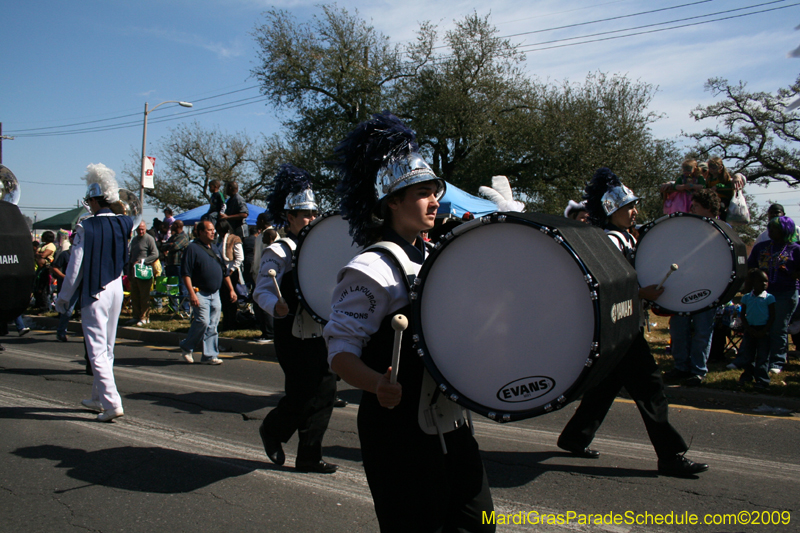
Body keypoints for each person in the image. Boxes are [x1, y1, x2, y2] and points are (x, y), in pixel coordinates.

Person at [323, 112, 495, 531]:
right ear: (392, 202)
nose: (435, 200)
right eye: (422, 193)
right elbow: (340, 352)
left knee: (480, 523)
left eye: (435, 192)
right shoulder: (370, 269)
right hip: (397, 430)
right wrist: (375, 384)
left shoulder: (438, 255)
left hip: (450, 419)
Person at [557, 167, 708, 478]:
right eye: (629, 207)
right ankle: (670, 454)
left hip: (625, 322)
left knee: (607, 384)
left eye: (633, 206)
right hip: (621, 326)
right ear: (612, 210)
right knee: (650, 387)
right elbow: (607, 285)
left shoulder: (625, 237)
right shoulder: (611, 239)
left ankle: (575, 437)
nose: (635, 211)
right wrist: (641, 292)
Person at [253, 164, 338, 474]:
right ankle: (272, 431)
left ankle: (309, 456)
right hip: (293, 332)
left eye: (314, 214)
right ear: (288, 217)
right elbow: (261, 290)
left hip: (322, 332)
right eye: (305, 215)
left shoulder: (323, 248)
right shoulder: (280, 249)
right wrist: (275, 305)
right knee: (302, 395)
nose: (311, 220)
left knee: (326, 394)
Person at [55, 163, 133, 422]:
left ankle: (112, 403)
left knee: (97, 351)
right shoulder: (125, 222)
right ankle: (97, 397)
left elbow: (75, 267)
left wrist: (63, 298)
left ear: (94, 200)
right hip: (116, 288)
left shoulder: (85, 226)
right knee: (108, 348)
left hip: (95, 291)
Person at [663, 189, 722, 386]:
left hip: (709, 289)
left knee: (702, 331)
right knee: (678, 329)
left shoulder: (722, 230)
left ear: (708, 208)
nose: (691, 208)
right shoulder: (688, 228)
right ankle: (681, 367)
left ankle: (698, 370)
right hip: (684, 286)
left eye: (695, 205)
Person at [745, 215, 800, 374]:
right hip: (762, 293)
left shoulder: (795, 249)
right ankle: (759, 358)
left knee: (778, 328)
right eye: (769, 228)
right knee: (761, 325)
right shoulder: (761, 247)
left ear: (785, 230)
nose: (770, 231)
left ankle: (777, 361)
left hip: (785, 293)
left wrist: (792, 272)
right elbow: (751, 267)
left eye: (774, 229)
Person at [179, 220, 237, 365]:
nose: (213, 233)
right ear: (200, 232)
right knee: (202, 321)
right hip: (200, 292)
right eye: (209, 230)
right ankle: (187, 346)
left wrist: (231, 289)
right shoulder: (192, 248)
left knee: (213, 324)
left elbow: (225, 272)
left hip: (215, 293)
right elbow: (186, 273)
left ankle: (210, 355)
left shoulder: (215, 249)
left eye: (213, 230)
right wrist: (191, 293)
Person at [729, 269, 775, 389]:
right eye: (761, 281)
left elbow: (772, 316)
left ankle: (762, 380)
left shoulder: (769, 298)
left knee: (762, 356)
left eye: (766, 281)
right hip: (750, 330)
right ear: (753, 283)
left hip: (763, 330)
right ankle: (747, 376)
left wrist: (764, 330)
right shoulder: (746, 298)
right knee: (748, 355)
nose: (764, 284)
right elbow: (743, 315)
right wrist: (748, 328)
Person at [127, 221, 159, 327]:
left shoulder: (149, 239)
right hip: (134, 272)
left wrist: (143, 261)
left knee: (144, 296)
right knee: (135, 295)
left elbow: (155, 254)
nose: (141, 231)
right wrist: (129, 271)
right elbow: (131, 255)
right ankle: (136, 315)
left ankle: (144, 317)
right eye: (139, 229)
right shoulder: (135, 240)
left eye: (143, 229)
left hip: (144, 271)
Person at [217, 220, 244, 332]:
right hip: (222, 272)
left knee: (230, 299)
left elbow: (240, 258)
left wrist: (232, 270)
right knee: (224, 298)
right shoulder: (219, 240)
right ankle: (226, 321)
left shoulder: (234, 239)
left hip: (231, 272)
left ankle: (231, 323)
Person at [160, 220, 190, 317]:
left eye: (173, 225)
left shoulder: (184, 236)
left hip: (179, 265)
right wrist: (169, 245)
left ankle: (185, 309)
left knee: (182, 288)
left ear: (177, 226)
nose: (171, 226)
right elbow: (163, 246)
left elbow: (176, 246)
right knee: (171, 288)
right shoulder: (173, 237)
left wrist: (169, 245)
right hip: (170, 265)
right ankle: (173, 308)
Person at [51, 232, 77, 342]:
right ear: (70, 240)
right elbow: (55, 267)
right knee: (68, 311)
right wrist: (64, 277)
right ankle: (61, 332)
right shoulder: (65, 254)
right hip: (69, 286)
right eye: (74, 238)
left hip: (81, 285)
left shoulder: (85, 253)